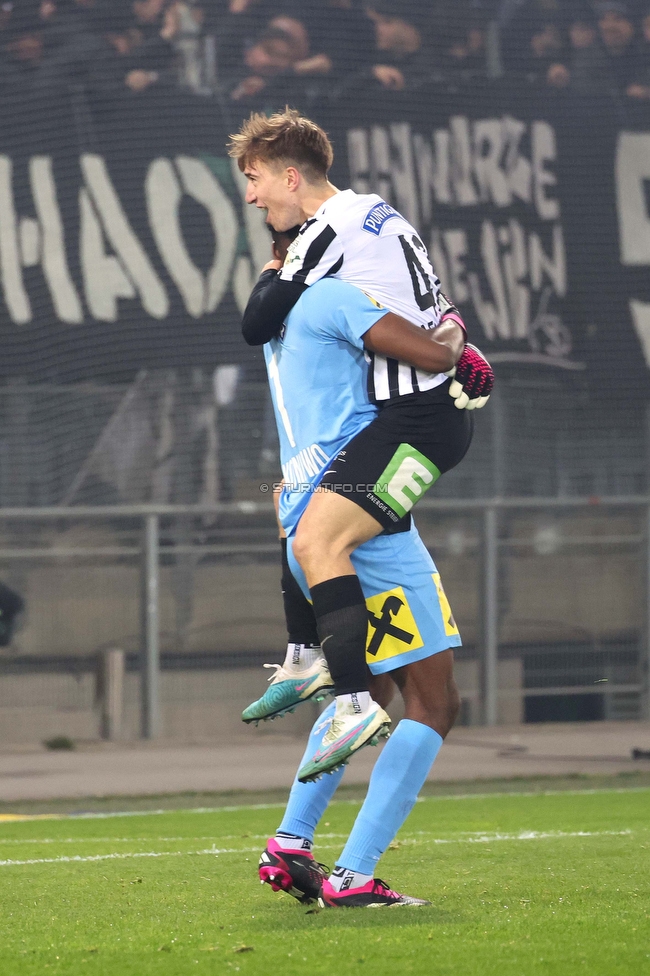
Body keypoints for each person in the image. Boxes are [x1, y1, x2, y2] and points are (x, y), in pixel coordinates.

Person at [228, 109, 493, 779]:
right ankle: (314, 661)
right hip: (410, 418)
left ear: (292, 177)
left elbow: (258, 321)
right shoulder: (376, 213)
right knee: (299, 517)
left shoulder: (326, 232)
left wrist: (450, 348)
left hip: (418, 423)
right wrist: (458, 336)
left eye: (255, 180)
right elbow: (437, 303)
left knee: (318, 540)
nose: (252, 195)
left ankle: (349, 698)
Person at [255, 234, 464, 907]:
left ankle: (291, 841)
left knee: (372, 688)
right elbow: (431, 357)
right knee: (433, 700)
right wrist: (456, 328)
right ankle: (355, 875)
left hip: (303, 504)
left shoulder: (279, 317)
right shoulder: (340, 297)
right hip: (360, 522)